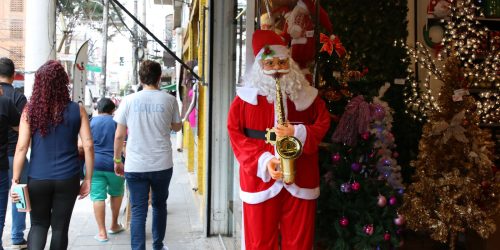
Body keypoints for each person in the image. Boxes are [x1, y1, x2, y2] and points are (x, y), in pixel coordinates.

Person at [227, 30, 331, 250]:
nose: (276, 69)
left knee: (299, 242)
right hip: (260, 179)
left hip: (301, 176)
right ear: (259, 66)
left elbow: (322, 124)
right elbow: (236, 135)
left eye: (281, 62)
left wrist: (297, 133)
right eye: (269, 63)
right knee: (259, 242)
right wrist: (263, 161)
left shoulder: (307, 96)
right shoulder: (243, 100)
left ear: (290, 63)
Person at [10, 60, 94, 249]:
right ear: (63, 82)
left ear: (39, 83)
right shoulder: (77, 109)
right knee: (60, 228)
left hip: (38, 177)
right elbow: (88, 145)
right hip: (68, 178)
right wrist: (88, 178)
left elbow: (21, 148)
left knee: (38, 225)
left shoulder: (29, 111)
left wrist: (15, 180)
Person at [113, 60, 182, 250]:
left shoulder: (128, 101)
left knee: (138, 211)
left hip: (135, 165)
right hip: (162, 164)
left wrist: (117, 160)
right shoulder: (169, 99)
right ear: (160, 78)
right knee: (160, 206)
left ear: (141, 78)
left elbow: (119, 135)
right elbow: (177, 126)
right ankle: (158, 246)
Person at [0, 57, 27, 249]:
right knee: (19, 192)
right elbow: (24, 128)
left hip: (3, 156)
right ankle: (17, 236)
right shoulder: (18, 97)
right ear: (13, 74)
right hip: (15, 153)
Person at [89, 98, 125, 242]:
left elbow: (83, 144)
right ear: (112, 110)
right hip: (114, 164)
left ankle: (102, 233)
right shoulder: (117, 122)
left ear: (98, 109)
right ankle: (114, 225)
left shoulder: (91, 122)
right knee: (116, 193)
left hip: (94, 164)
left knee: (98, 196)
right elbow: (123, 142)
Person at [0, 86, 21, 250]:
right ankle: (17, 236)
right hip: (5, 161)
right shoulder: (6, 102)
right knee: (16, 195)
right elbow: (19, 127)